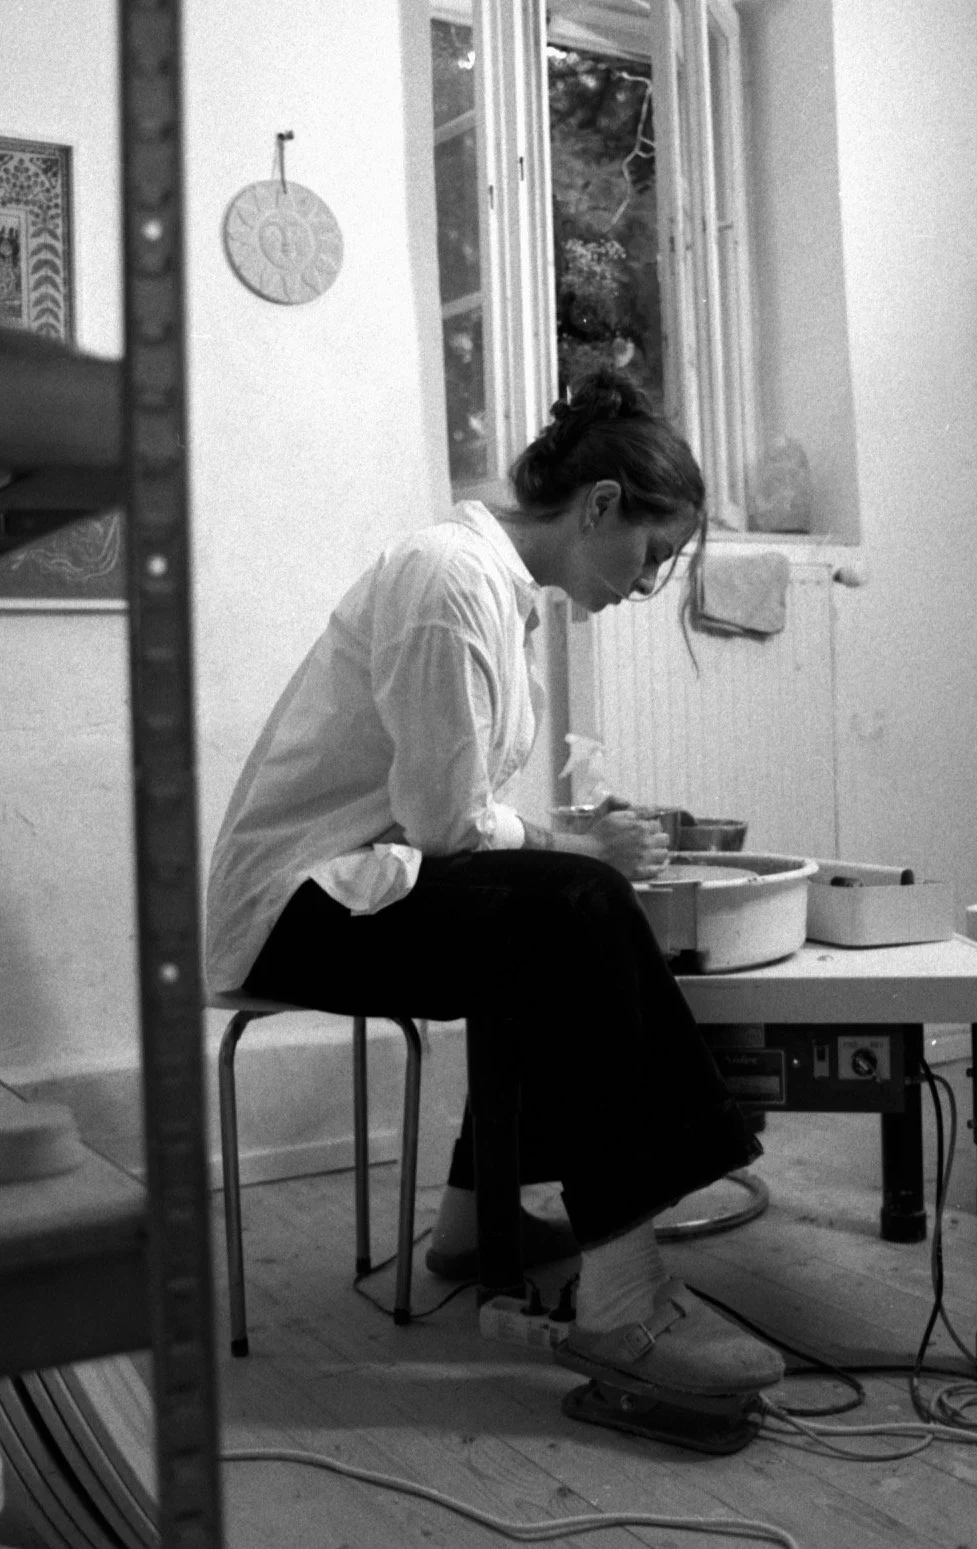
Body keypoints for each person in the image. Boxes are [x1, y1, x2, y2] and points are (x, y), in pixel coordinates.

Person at [205, 367, 782, 1406]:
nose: (647, 582)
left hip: (364, 885)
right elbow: (446, 823)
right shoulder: (450, 579)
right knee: (575, 908)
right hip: (296, 909)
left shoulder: (500, 598)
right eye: (653, 553)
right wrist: (579, 850)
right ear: (599, 505)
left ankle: (476, 1228)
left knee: (551, 908)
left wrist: (570, 841)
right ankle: (621, 1304)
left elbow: (456, 818)